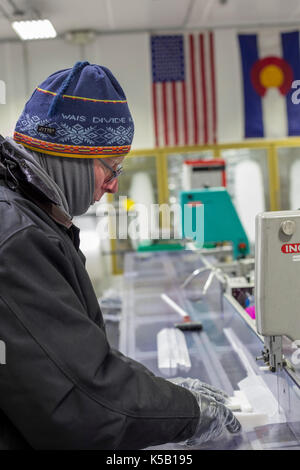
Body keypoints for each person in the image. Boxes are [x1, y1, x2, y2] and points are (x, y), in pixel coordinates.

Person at [0, 61, 240, 450]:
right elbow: (81, 400)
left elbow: (67, 363)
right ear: (71, 156)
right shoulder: (16, 237)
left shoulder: (28, 218)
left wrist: (159, 394)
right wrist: (186, 412)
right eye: (111, 167)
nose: (113, 185)